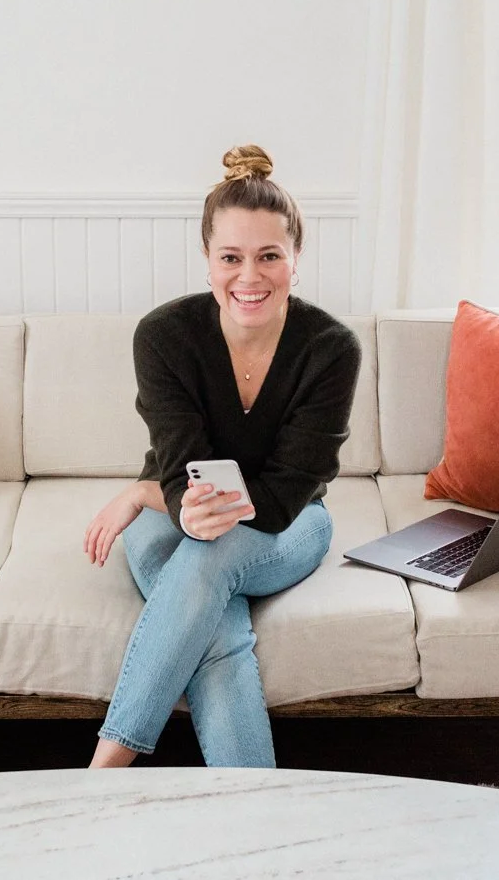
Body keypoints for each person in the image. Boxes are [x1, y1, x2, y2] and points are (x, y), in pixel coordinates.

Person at [80, 144, 362, 769]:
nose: (249, 277)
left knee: (212, 553)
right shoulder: (163, 336)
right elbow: (181, 463)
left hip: (290, 523)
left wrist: (144, 493)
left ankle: (99, 779)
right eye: (231, 257)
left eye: (269, 256)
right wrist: (175, 502)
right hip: (177, 515)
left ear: (296, 259)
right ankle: (253, 810)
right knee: (218, 625)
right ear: (207, 259)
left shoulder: (331, 348)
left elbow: (284, 496)